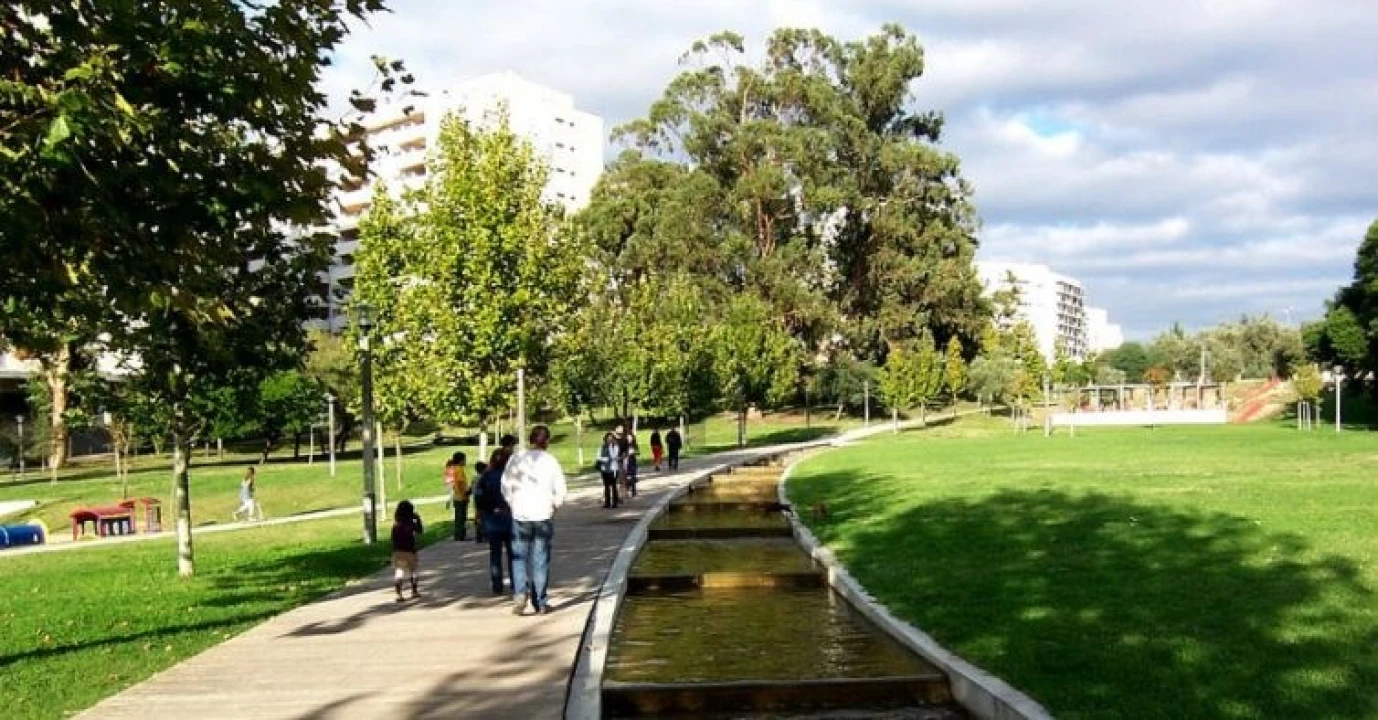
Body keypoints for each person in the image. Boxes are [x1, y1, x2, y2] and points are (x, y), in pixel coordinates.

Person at [501, 425, 567, 616]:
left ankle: (520, 594)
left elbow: (505, 485)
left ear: (531, 440)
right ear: (547, 441)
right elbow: (560, 489)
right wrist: (555, 504)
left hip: (520, 514)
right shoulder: (551, 461)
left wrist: (512, 502)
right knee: (540, 559)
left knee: (519, 558)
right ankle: (541, 601)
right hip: (542, 515)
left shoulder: (516, 459)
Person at [473, 448, 515, 595]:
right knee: (513, 553)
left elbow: (479, 497)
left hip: (492, 518)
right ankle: (516, 582)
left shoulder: (485, 477)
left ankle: (497, 585)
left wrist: (484, 511)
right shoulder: (511, 476)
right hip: (510, 516)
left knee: (495, 553)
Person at [391, 500, 424, 602]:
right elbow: (420, 530)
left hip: (398, 552)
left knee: (399, 573)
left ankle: (399, 594)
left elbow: (393, 539)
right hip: (410, 551)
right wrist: (418, 519)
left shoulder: (396, 525)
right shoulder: (410, 524)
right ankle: (414, 591)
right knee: (413, 572)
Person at [444, 452, 470, 541]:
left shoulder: (452, 468)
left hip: (456, 497)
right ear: (460, 460)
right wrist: (464, 493)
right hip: (461, 497)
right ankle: (460, 535)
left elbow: (450, 483)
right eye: (464, 459)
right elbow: (459, 482)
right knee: (461, 517)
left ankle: (459, 535)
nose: (465, 461)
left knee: (458, 517)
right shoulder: (459, 469)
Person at [596, 432, 621, 509]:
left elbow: (614, 456)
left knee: (613, 486)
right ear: (605, 439)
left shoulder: (615, 447)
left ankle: (615, 502)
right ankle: (607, 502)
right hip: (604, 469)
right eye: (608, 438)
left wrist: (611, 447)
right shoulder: (601, 447)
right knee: (606, 486)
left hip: (613, 469)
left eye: (611, 438)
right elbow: (598, 457)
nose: (610, 440)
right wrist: (605, 459)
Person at [624, 434, 639, 499]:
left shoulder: (634, 445)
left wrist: (634, 452)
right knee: (627, 477)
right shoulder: (624, 445)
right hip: (626, 462)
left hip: (632, 462)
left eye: (630, 438)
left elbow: (638, 452)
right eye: (628, 438)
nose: (629, 439)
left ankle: (633, 491)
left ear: (633, 438)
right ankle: (627, 490)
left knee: (632, 476)